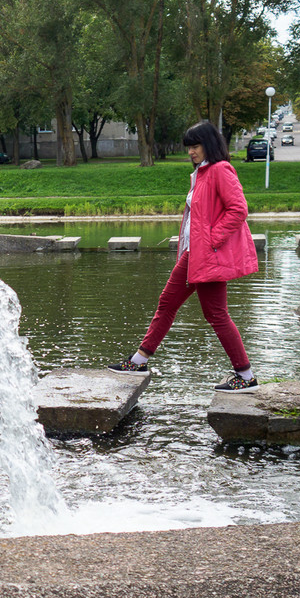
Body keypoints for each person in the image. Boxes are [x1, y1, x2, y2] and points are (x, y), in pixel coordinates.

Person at [108, 120, 261, 393]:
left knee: (216, 313)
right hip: (196, 254)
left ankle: (246, 376)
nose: (191, 151)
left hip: (207, 255)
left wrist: (212, 240)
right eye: (189, 147)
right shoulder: (202, 173)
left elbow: (238, 209)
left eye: (196, 145)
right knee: (168, 302)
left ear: (209, 144)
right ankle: (139, 360)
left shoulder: (220, 170)